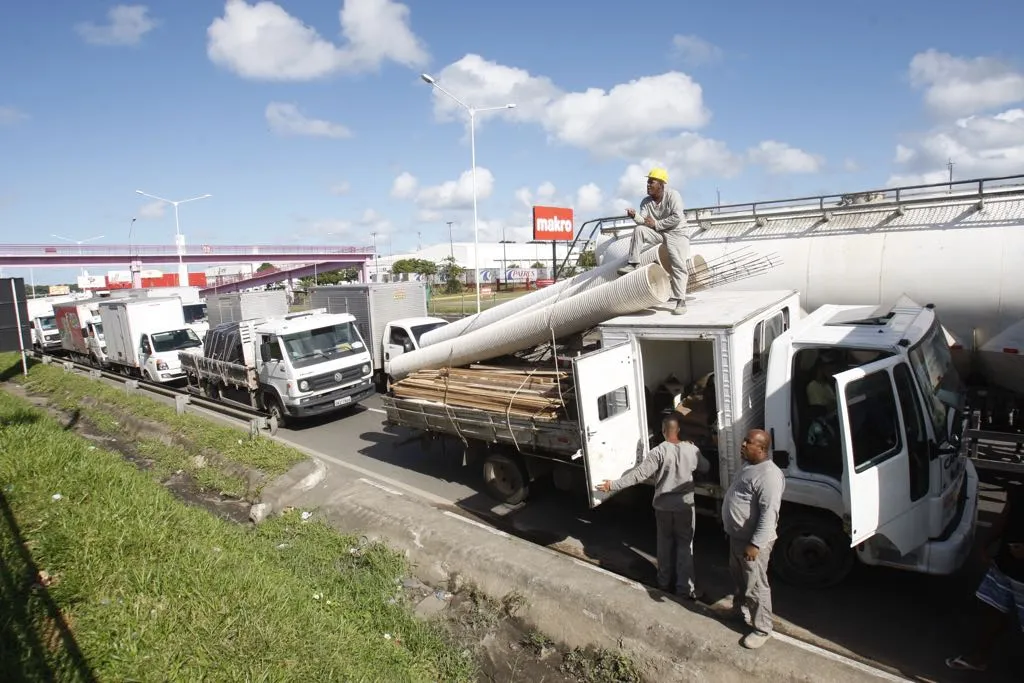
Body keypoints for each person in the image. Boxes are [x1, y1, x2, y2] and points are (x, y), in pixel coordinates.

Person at [597, 413, 711, 598]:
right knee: (685, 547)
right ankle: (684, 589)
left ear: (663, 431)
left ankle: (663, 582)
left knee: (664, 545)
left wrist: (613, 485)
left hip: (663, 507)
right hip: (684, 508)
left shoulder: (658, 451)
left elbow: (638, 475)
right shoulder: (692, 450)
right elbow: (706, 467)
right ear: (678, 430)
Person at [946, 484, 1024, 672]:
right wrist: (985, 543)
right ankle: (979, 657)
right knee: (992, 609)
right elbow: (1006, 514)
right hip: (1004, 564)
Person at [722, 429, 786, 650]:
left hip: (752, 543)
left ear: (761, 448)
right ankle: (738, 611)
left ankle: (762, 628)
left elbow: (769, 514)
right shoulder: (749, 465)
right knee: (740, 580)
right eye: (744, 440)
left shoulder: (769, 475)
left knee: (756, 585)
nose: (742, 444)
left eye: (747, 442)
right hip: (737, 538)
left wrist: (755, 544)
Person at [617, 167, 691, 315]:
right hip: (659, 232)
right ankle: (633, 263)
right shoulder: (646, 202)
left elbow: (677, 217)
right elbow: (644, 222)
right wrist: (634, 216)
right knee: (639, 230)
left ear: (661, 185)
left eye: (652, 182)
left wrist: (656, 224)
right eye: (648, 182)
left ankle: (680, 301)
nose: (648, 185)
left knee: (678, 265)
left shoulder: (673, 195)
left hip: (677, 233)